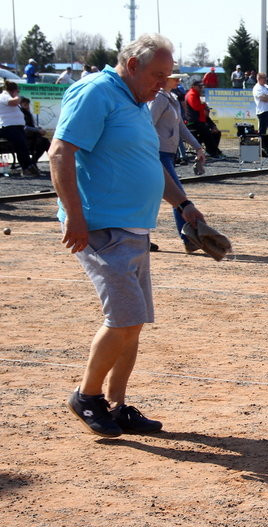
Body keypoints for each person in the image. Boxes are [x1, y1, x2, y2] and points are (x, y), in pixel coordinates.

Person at [49, 33, 206, 438]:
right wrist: (75, 217)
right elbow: (60, 152)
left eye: (168, 77)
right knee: (124, 318)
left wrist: (184, 205)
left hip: (135, 228)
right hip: (102, 228)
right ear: (132, 65)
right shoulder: (96, 92)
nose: (163, 84)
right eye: (158, 75)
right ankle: (87, 396)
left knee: (133, 323)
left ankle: (116, 405)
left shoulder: (137, 102)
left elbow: (148, 164)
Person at [149, 73, 206, 253]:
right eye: (175, 78)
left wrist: (198, 147)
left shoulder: (171, 98)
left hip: (166, 153)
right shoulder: (158, 98)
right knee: (178, 196)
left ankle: (140, 237)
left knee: (150, 198)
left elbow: (181, 127)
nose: (179, 81)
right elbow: (147, 123)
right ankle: (189, 239)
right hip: (157, 153)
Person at [0, 81, 39, 176]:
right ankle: (27, 167)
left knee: (23, 145)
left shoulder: (9, 96)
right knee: (21, 144)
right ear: (13, 90)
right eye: (17, 91)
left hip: (15, 127)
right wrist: (18, 96)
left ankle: (29, 166)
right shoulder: (4, 96)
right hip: (8, 127)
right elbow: (13, 102)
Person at [185, 79, 223, 158]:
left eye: (202, 86)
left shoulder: (195, 94)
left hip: (199, 121)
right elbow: (195, 107)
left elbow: (204, 115)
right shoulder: (191, 94)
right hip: (194, 122)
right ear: (194, 86)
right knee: (207, 134)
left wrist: (213, 126)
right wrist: (203, 105)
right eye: (199, 86)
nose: (201, 88)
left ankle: (213, 151)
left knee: (215, 133)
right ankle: (213, 152)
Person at [19, 96, 51, 167]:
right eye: (25, 105)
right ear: (20, 105)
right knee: (44, 143)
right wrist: (37, 130)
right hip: (26, 138)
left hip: (32, 136)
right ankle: (34, 161)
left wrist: (38, 129)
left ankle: (33, 161)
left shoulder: (27, 113)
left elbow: (30, 125)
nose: (27, 106)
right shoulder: (21, 113)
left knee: (45, 142)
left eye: (27, 104)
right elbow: (24, 127)